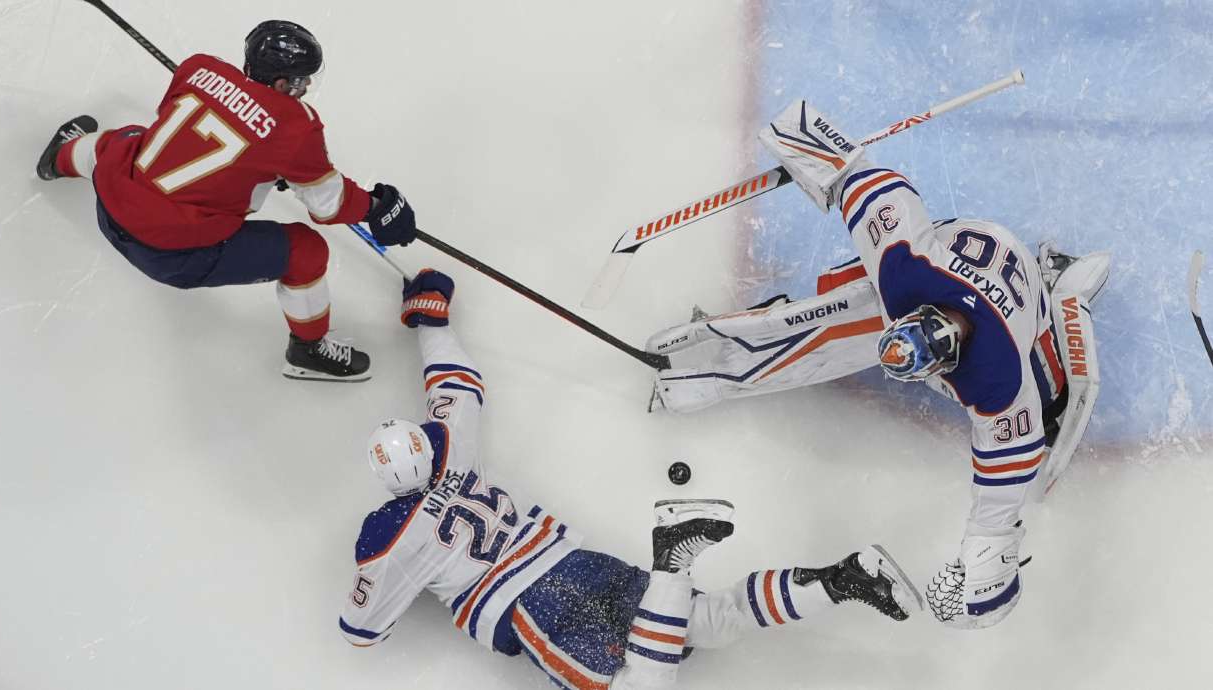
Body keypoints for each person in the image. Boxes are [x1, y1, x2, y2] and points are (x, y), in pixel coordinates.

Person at [645, 100, 1111, 630]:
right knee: (848, 307)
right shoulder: (903, 269)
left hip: (1021, 292)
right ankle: (744, 347)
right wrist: (810, 143)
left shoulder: (997, 375)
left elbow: (1007, 469)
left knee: (1049, 402)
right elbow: (868, 185)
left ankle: (1060, 290)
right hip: (956, 244)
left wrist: (989, 554)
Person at [338, 268, 923, 689]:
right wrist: (428, 318)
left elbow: (361, 632)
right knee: (704, 622)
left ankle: (675, 558)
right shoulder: (450, 447)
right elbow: (455, 384)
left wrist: (401, 584)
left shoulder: (392, 534)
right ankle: (846, 578)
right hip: (580, 564)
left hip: (536, 605)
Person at [34, 20, 418, 382]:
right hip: (169, 255)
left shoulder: (199, 67)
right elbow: (328, 205)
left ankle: (59, 158)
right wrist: (376, 208)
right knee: (306, 250)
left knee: (129, 139)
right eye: (301, 81)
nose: (304, 89)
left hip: (110, 206)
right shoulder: (295, 127)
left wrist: (258, 162)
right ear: (282, 83)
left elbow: (176, 126)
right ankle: (309, 350)